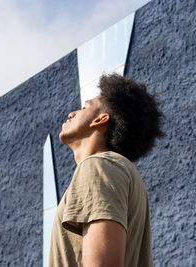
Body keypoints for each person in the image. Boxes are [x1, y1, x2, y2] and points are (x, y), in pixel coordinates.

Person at [49, 73, 164, 267]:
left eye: (85, 107)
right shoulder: (115, 169)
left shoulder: (98, 166)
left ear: (100, 120)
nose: (71, 113)